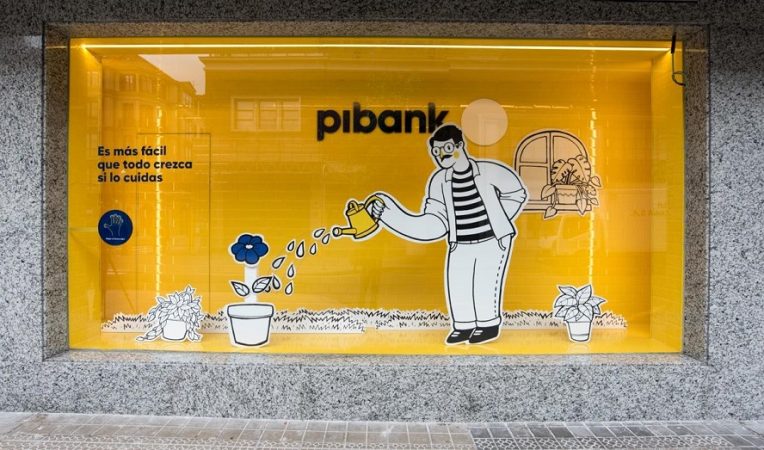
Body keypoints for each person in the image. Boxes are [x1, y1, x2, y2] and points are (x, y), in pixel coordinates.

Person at [370, 123, 527, 344]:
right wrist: (388, 215)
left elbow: (517, 193)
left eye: (447, 148)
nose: (441, 155)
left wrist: (498, 221)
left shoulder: (489, 171)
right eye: (436, 151)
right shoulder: (439, 181)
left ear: (460, 145)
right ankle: (463, 326)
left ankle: (488, 325)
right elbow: (434, 221)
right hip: (459, 242)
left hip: (493, 240)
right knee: (458, 282)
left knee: (485, 281)